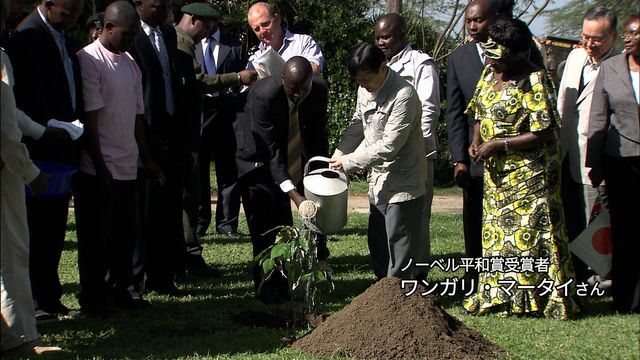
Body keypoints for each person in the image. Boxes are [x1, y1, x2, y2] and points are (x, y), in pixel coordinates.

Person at [461, 18, 579, 320]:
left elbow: (543, 131)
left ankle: (536, 298)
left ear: (516, 53)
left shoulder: (535, 80)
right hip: (497, 176)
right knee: (499, 236)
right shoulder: (490, 74)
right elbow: (477, 111)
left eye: (497, 56)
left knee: (528, 235)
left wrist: (498, 145)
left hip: (530, 175)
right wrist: (477, 140)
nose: (491, 60)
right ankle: (500, 293)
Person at [75, 0, 163, 315]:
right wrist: (100, 167)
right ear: (107, 28)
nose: (130, 41)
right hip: (97, 168)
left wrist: (147, 160)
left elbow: (138, 117)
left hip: (128, 164)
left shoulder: (130, 64)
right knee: (96, 238)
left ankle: (121, 291)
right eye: (126, 35)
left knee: (125, 234)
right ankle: (94, 297)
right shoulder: (89, 60)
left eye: (134, 36)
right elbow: (91, 119)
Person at [7, 0, 84, 318]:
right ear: (48, 5)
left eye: (76, 15)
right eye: (67, 14)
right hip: (39, 146)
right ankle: (37, 299)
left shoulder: (61, 36)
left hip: (62, 142)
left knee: (53, 226)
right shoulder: (26, 37)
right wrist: (45, 129)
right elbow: (21, 98)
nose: (71, 20)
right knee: (37, 228)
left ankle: (50, 297)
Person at [330, 43, 427, 280]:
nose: (364, 87)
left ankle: (403, 297)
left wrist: (349, 162)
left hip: (403, 180)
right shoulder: (364, 89)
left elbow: (389, 146)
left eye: (367, 81)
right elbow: (357, 124)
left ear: (383, 67)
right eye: (359, 83)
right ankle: (382, 296)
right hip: (379, 180)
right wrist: (339, 152)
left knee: (398, 241)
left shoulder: (404, 95)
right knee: (378, 240)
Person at [235, 56, 328, 303]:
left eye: (304, 89)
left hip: (288, 151)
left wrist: (320, 175)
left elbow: (318, 136)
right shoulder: (262, 95)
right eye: (293, 90)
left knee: (285, 225)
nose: (298, 95)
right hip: (255, 155)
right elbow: (271, 152)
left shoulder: (318, 91)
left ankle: (287, 284)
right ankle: (266, 287)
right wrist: (295, 195)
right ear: (282, 79)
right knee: (265, 225)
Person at [175, 2, 254, 277]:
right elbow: (198, 82)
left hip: (214, 120)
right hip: (189, 127)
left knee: (209, 181)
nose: (206, 34)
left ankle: (193, 251)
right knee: (188, 192)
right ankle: (188, 256)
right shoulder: (180, 44)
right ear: (194, 20)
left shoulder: (184, 42)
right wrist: (236, 77)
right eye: (206, 27)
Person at [1, 3, 62, 353]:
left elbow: (13, 113)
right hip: (7, 171)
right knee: (11, 251)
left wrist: (42, 132)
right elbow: (7, 130)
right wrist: (30, 171)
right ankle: (19, 338)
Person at [557, 6, 618, 280]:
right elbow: (563, 105)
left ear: (612, 36)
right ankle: (577, 272)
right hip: (566, 149)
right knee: (571, 213)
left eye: (597, 39)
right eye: (585, 37)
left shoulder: (620, 64)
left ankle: (599, 275)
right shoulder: (574, 57)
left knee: (595, 217)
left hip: (595, 154)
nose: (589, 44)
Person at [375, 13, 440, 270]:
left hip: (414, 158)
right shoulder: (377, 65)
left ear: (402, 35)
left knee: (415, 221)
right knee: (386, 221)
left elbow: (428, 112)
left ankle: (417, 281)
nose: (380, 42)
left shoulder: (421, 65)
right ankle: (388, 284)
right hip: (383, 157)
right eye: (377, 37)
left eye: (386, 36)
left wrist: (409, 150)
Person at [129, 0, 185, 296]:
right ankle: (138, 278)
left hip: (170, 133)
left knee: (167, 210)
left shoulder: (168, 33)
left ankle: (162, 276)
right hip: (144, 133)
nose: (162, 8)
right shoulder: (131, 35)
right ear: (138, 5)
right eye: (155, 4)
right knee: (144, 212)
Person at [586, 13, 640, 314]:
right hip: (621, 160)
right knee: (624, 230)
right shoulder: (611, 68)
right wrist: (593, 162)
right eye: (628, 33)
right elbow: (598, 117)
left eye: (636, 33)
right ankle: (625, 297)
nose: (630, 38)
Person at [446, 0, 497, 284]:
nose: (473, 26)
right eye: (469, 21)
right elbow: (453, 113)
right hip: (474, 153)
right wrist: (459, 160)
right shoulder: (459, 58)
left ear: (494, 19)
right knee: (474, 215)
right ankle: (474, 273)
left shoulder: (517, 51)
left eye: (479, 20)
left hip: (510, 152)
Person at [195, 4, 255, 238]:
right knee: (198, 171)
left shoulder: (235, 46)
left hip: (229, 115)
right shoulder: (191, 47)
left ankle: (227, 224)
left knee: (229, 172)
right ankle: (200, 223)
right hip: (200, 114)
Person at [246, 2, 323, 75]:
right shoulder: (255, 59)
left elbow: (315, 70)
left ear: (277, 19)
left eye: (266, 24)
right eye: (257, 29)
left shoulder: (303, 42)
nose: (262, 31)